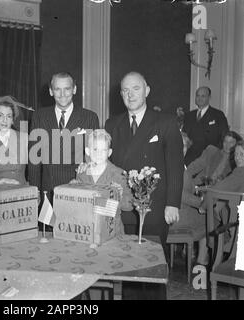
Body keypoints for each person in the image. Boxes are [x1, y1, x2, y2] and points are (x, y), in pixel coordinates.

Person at [106, 72, 184, 300]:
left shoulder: (166, 122)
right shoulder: (112, 124)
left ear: (147, 90)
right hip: (123, 208)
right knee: (129, 269)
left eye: (136, 89)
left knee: (152, 271)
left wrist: (173, 204)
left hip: (155, 208)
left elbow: (176, 167)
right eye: (125, 90)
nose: (130, 95)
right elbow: (107, 164)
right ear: (120, 94)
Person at [28, 72, 99, 198]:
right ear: (51, 91)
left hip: (78, 189)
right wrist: (35, 190)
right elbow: (34, 158)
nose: (62, 94)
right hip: (47, 190)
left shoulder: (90, 117)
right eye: (57, 89)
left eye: (67, 89)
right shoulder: (39, 116)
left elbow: (96, 157)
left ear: (74, 89)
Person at [71, 129, 133, 235]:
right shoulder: (82, 173)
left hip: (112, 231)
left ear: (109, 152)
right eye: (95, 149)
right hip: (87, 229)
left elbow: (129, 206)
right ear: (88, 151)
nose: (99, 154)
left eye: (103, 150)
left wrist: (120, 195)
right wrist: (71, 190)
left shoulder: (119, 174)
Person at [170, 132, 207, 265]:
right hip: (176, 217)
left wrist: (196, 191)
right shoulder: (176, 166)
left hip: (177, 213)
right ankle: (202, 257)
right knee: (211, 219)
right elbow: (179, 193)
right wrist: (200, 203)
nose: (182, 149)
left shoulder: (174, 163)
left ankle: (190, 251)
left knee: (207, 214)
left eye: (184, 145)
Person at [183, 86, 229, 166]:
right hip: (189, 160)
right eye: (198, 95)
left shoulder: (218, 115)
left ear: (209, 97)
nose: (200, 98)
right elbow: (184, 135)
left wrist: (215, 155)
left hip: (209, 160)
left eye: (203, 96)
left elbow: (224, 137)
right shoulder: (188, 115)